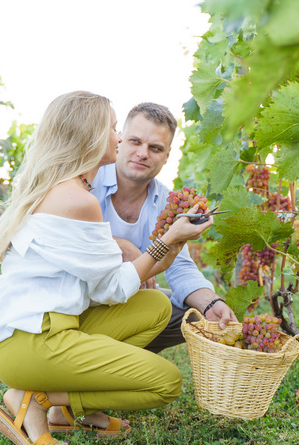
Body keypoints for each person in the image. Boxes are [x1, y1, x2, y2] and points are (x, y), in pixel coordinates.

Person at [0, 91, 213, 445]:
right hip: (34, 341)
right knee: (167, 382)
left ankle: (59, 405)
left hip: (40, 329)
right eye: (116, 129)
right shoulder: (78, 200)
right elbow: (114, 288)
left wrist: (174, 241)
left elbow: (127, 280)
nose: (119, 139)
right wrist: (167, 238)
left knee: (155, 306)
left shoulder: (61, 186)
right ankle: (38, 399)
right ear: (89, 136)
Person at [90, 102, 238, 353]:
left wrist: (211, 302)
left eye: (155, 148)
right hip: (84, 298)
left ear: (167, 156)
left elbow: (179, 266)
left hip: (127, 300)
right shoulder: (88, 181)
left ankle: (122, 354)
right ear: (120, 140)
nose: (143, 153)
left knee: (192, 315)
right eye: (136, 142)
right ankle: (99, 353)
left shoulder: (167, 202)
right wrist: (123, 247)